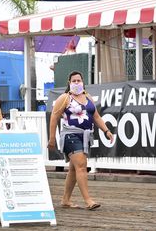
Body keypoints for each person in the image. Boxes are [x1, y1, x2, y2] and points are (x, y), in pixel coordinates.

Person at [48, 71, 114, 210]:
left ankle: (65, 199)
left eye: (79, 80)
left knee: (74, 168)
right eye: (74, 81)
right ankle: (88, 200)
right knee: (82, 165)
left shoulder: (88, 97)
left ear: (83, 82)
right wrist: (52, 138)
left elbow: (96, 117)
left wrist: (106, 131)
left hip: (85, 136)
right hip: (70, 135)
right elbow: (54, 118)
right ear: (69, 83)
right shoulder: (65, 98)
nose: (77, 83)